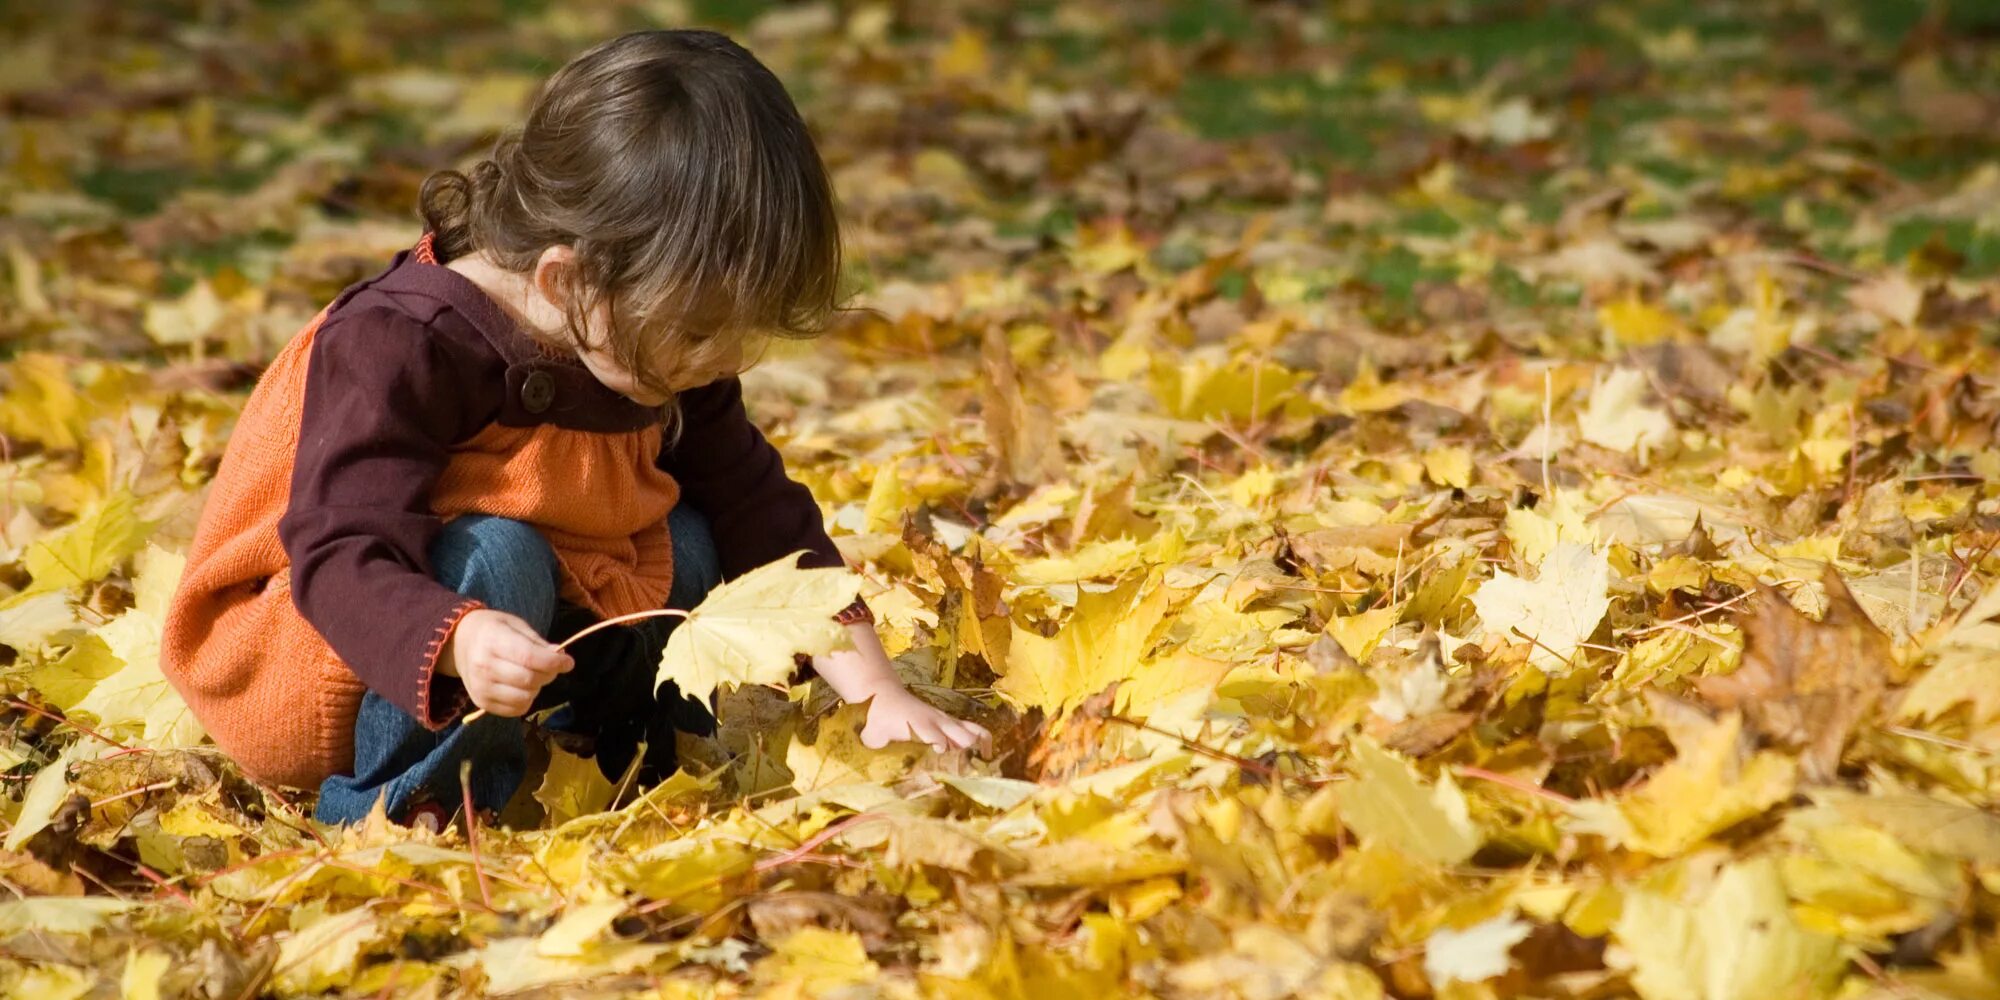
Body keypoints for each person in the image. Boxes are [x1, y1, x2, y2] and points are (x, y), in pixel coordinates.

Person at [159, 29, 989, 830]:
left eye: (745, 329)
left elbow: (761, 512)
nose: (726, 357)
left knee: (694, 542)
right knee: (501, 553)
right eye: (702, 330)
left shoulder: (641, 336)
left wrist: (876, 690)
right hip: (318, 654)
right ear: (565, 280)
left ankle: (605, 756)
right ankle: (408, 809)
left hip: (519, 640)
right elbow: (339, 557)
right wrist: (454, 638)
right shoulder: (401, 346)